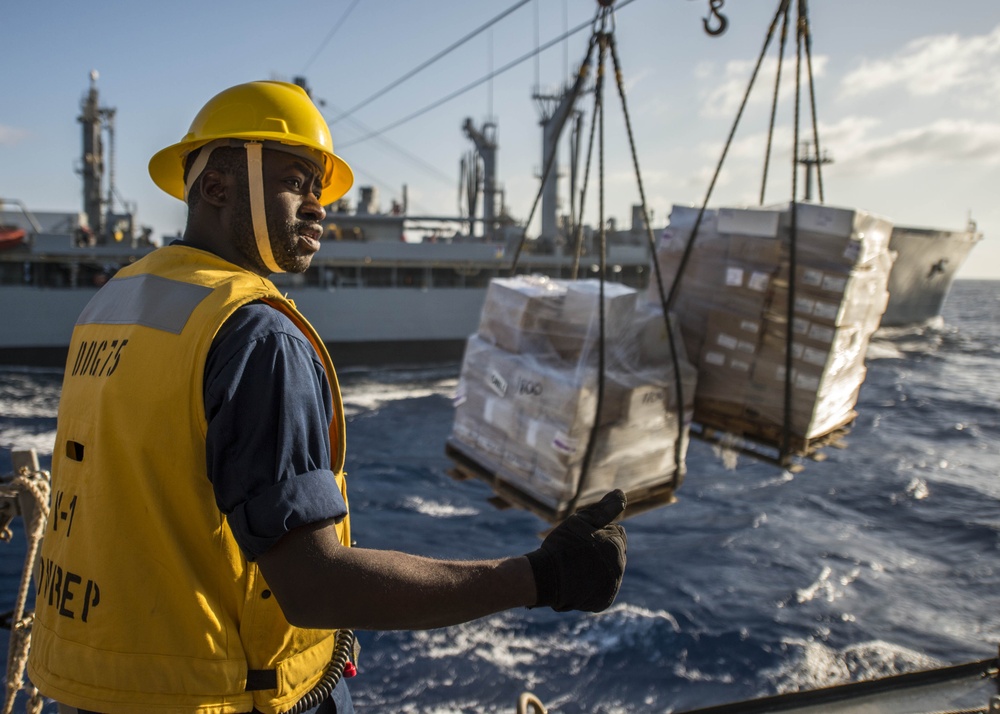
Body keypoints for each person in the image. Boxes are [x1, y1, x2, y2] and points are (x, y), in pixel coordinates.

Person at [27, 81, 627, 714]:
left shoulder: (112, 302)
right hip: (216, 695)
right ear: (216, 187)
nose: (318, 208)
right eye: (294, 182)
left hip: (103, 683)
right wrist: (540, 576)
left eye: (320, 189)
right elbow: (314, 588)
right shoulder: (256, 336)